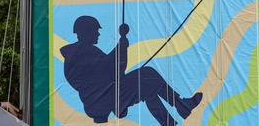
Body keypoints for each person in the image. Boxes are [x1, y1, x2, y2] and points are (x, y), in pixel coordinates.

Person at [60, 16, 203, 125]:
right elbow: (112, 70)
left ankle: (172, 119)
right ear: (86, 32)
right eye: (96, 31)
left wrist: (121, 45)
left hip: (101, 98)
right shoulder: (83, 52)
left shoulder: (78, 53)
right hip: (105, 98)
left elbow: (105, 70)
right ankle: (181, 107)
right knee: (148, 74)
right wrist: (122, 43)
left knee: (148, 88)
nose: (98, 34)